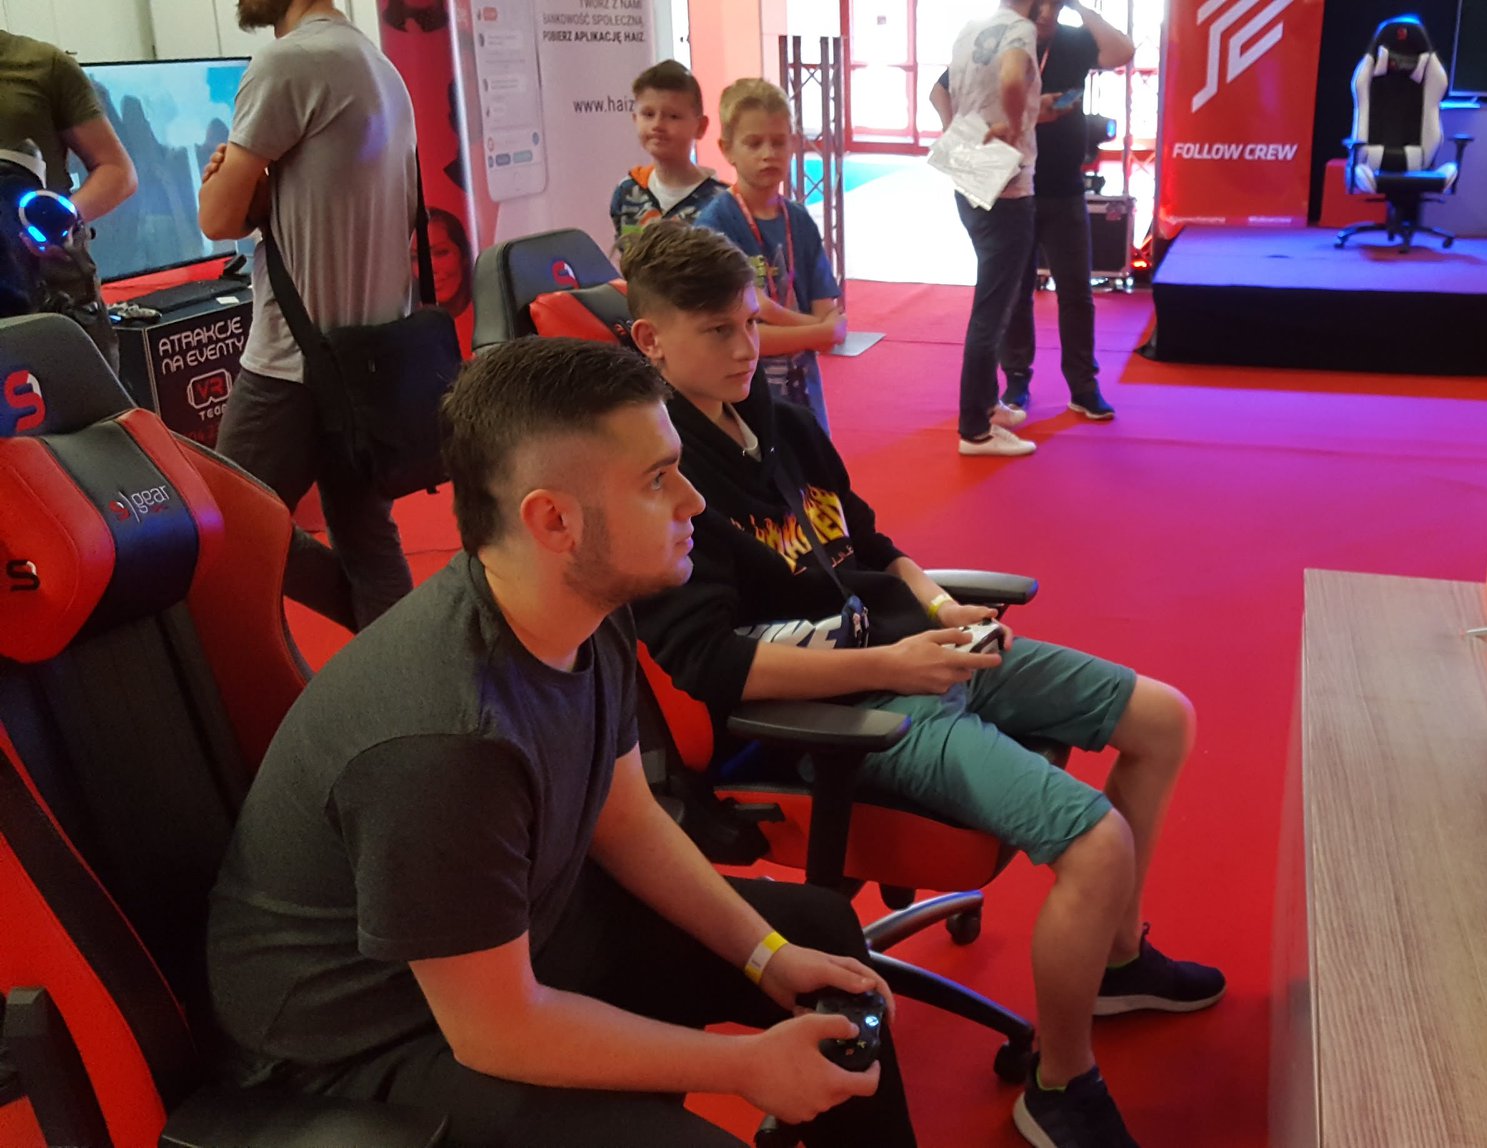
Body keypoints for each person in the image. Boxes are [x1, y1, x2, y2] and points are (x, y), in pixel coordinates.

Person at [205, 336, 919, 1148]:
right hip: (370, 1042)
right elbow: (497, 1031)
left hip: (517, 938)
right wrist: (745, 1067)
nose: (694, 502)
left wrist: (766, 957)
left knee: (816, 936)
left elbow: (627, 818)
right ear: (554, 521)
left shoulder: (585, 608)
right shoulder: (447, 743)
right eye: (658, 479)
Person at [623, 221, 1224, 1148]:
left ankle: (1116, 962)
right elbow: (713, 667)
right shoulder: (665, 486)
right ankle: (1059, 1086)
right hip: (838, 710)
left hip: (914, 649)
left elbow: (870, 541)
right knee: (1095, 842)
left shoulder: (781, 424)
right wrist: (895, 665)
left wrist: (939, 605)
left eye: (751, 323)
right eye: (717, 331)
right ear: (651, 341)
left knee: (1163, 718)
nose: (747, 348)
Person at [199, 0, 417, 632]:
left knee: (227, 522)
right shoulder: (377, 65)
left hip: (292, 363)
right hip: (369, 357)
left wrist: (232, 182)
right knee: (368, 545)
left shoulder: (286, 62)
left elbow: (216, 218)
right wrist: (263, 192)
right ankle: (403, 663)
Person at [930, 0, 1131, 421]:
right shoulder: (1002, 35)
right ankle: (1014, 381)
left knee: (1074, 291)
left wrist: (1080, 8)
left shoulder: (1070, 41)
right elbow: (943, 89)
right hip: (1011, 186)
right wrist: (968, 131)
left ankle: (1082, 385)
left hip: (1061, 187)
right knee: (1011, 294)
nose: (1047, 17)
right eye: (1042, 8)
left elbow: (1122, 52)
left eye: (1055, 8)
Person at [695, 79, 846, 433]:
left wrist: (772, 313)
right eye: (754, 143)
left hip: (805, 396)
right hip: (745, 403)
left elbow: (831, 324)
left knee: (813, 468)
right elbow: (737, 337)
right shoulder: (714, 226)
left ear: (792, 145)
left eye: (778, 142)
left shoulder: (800, 221)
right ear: (727, 149)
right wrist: (818, 330)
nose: (768, 153)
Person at [944, 0, 1049, 457]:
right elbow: (1009, 79)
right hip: (1005, 182)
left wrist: (963, 130)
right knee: (993, 308)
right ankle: (975, 429)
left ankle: (986, 405)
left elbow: (940, 91)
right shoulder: (1020, 31)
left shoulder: (971, 28)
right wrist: (1014, 125)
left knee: (992, 300)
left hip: (968, 166)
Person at [0, 26, 137, 367]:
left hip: (51, 290)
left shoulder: (42, 64)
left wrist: (56, 219)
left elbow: (117, 170)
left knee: (83, 395)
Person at [611, 60, 728, 248]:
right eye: (648, 114)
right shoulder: (627, 192)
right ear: (635, 119)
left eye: (673, 116)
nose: (657, 125)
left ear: (700, 127)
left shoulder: (723, 202)